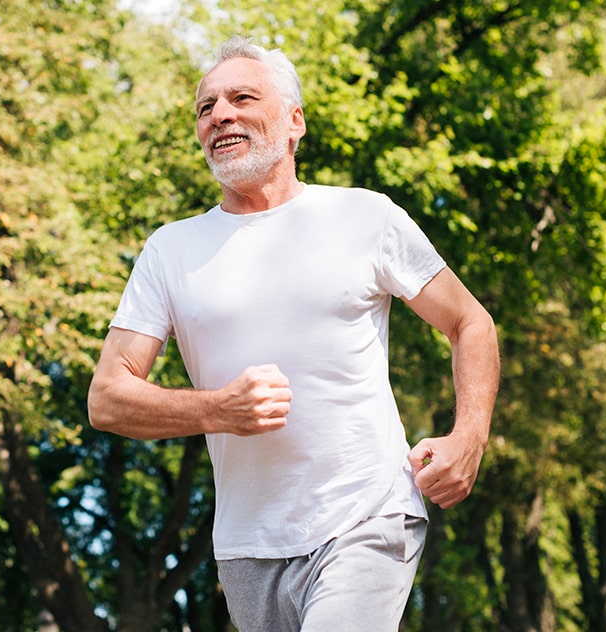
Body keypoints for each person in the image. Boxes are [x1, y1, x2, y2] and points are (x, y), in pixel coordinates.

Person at [87, 35, 499, 631]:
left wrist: (470, 437)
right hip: (248, 544)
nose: (220, 114)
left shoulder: (365, 217)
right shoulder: (170, 250)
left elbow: (470, 322)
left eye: (242, 98)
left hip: (367, 515)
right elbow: (108, 396)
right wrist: (220, 409)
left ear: (293, 122)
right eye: (206, 107)